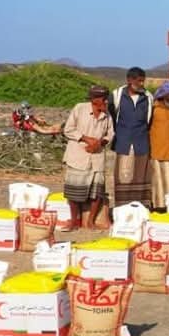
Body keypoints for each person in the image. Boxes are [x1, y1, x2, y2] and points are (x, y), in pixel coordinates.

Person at [61, 86, 114, 230]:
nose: (106, 102)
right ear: (94, 100)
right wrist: (86, 139)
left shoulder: (107, 115)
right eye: (103, 99)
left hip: (97, 157)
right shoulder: (80, 109)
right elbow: (68, 129)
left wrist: (99, 143)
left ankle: (90, 221)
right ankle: (74, 221)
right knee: (74, 191)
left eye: (107, 99)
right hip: (78, 156)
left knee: (97, 192)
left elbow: (110, 134)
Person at [109, 67, 154, 207]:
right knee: (123, 176)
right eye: (138, 81)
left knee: (141, 175)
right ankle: (123, 208)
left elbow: (149, 121)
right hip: (123, 142)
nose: (141, 84)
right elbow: (111, 117)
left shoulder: (148, 97)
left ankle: (140, 208)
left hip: (141, 143)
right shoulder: (116, 95)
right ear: (129, 80)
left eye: (143, 81)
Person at [149, 80, 169, 211]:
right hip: (157, 150)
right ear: (164, 94)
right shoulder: (154, 108)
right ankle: (159, 206)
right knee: (159, 181)